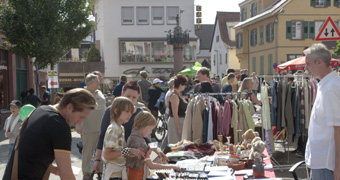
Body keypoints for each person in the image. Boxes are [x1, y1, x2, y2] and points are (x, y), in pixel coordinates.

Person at [3, 88, 97, 179]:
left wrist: (55, 169)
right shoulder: (60, 126)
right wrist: (62, 170)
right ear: (69, 107)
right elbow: (66, 175)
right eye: (81, 117)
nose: (80, 122)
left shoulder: (41, 110)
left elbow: (32, 155)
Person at [93, 81, 167, 174]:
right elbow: (102, 136)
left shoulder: (140, 112)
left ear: (138, 97)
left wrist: (156, 149)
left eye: (134, 97)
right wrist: (97, 160)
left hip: (133, 158)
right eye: (128, 96)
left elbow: (144, 134)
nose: (131, 100)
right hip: (115, 160)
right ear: (122, 94)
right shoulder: (111, 111)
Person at [304, 43, 340, 180]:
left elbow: (338, 127)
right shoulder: (326, 85)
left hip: (326, 164)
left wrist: (338, 165)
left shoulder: (331, 88)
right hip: (321, 162)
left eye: (308, 63)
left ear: (319, 62)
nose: (306, 68)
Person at [126, 111, 180, 179]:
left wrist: (148, 152)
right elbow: (151, 165)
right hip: (137, 176)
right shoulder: (140, 143)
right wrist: (171, 166)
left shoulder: (134, 136)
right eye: (150, 129)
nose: (151, 132)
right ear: (143, 125)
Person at [102, 97, 144, 180]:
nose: (130, 114)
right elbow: (107, 155)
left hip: (119, 172)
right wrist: (130, 151)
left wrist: (131, 153)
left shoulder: (121, 128)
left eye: (131, 112)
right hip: (113, 175)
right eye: (127, 111)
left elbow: (120, 151)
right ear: (116, 111)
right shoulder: (114, 129)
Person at [75, 73, 106, 180]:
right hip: (88, 128)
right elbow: (77, 110)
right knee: (88, 152)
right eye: (97, 81)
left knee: (100, 151)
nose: (99, 82)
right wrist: (78, 124)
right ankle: (86, 173)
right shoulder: (83, 94)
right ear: (91, 83)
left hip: (101, 128)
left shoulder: (99, 92)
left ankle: (100, 170)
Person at [168, 74, 188, 144]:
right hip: (176, 122)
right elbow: (175, 113)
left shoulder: (177, 94)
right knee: (175, 144)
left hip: (179, 121)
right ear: (180, 84)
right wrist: (179, 128)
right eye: (184, 84)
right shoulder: (174, 96)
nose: (185, 86)